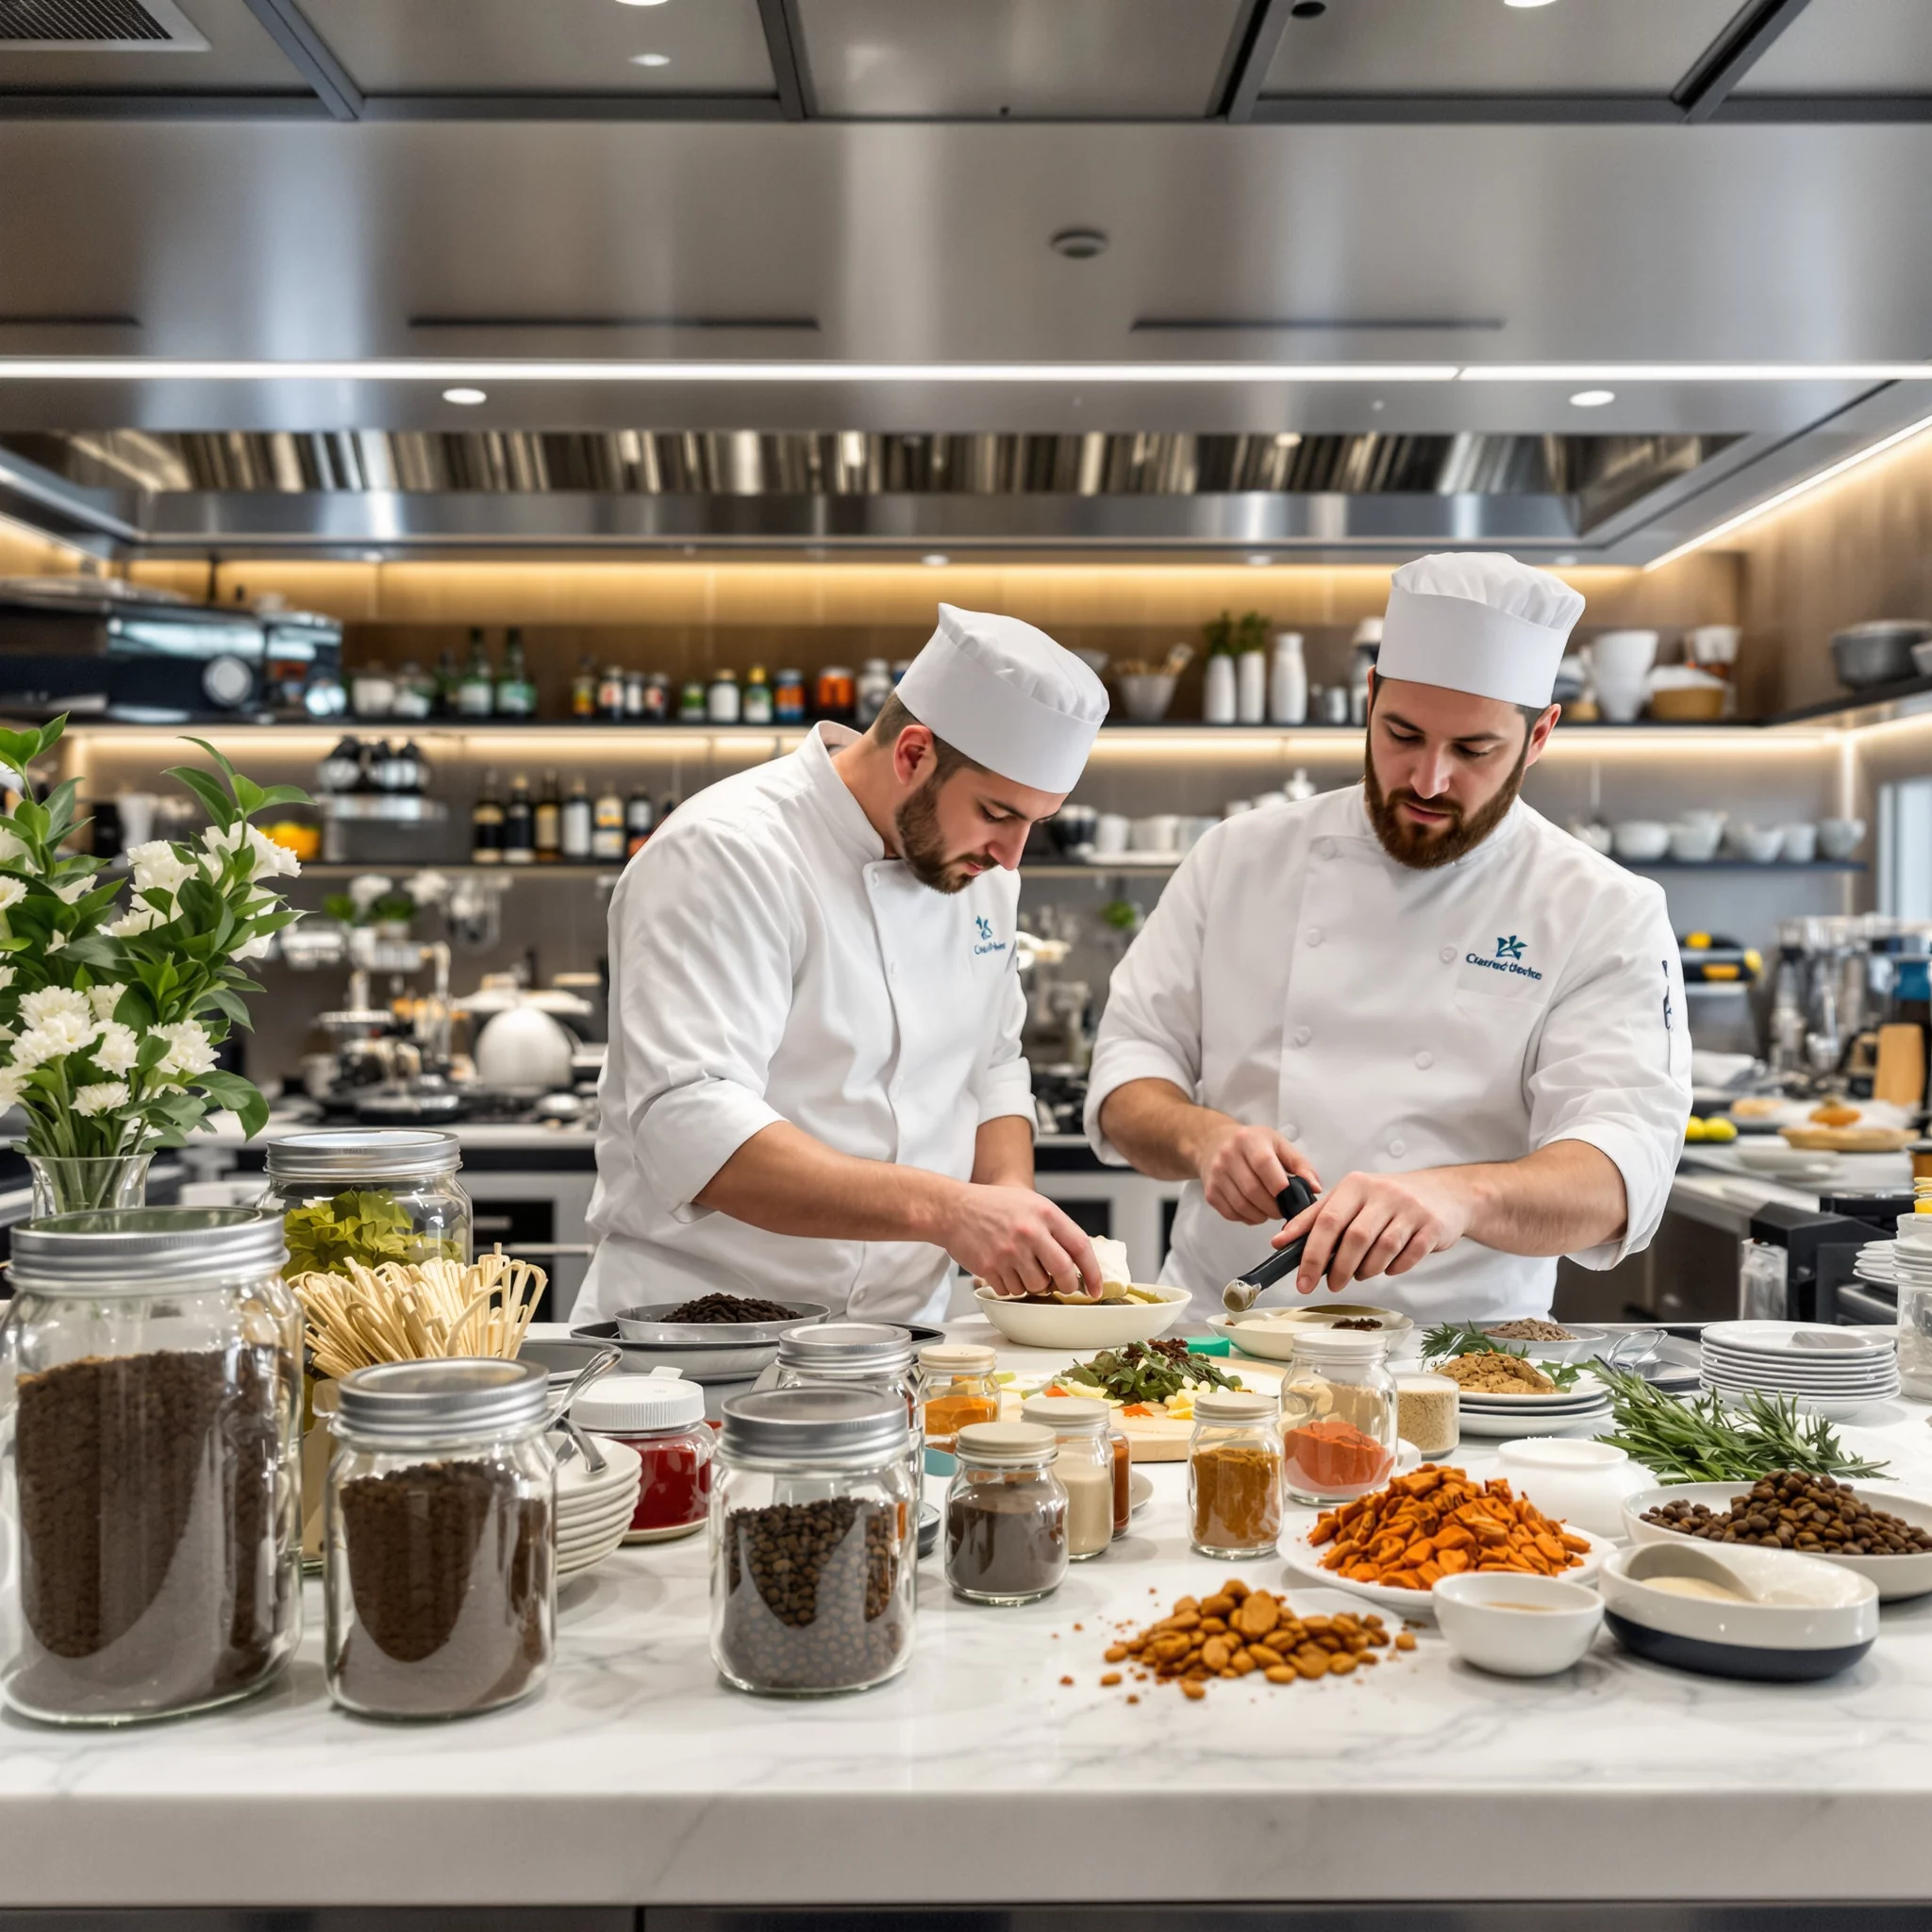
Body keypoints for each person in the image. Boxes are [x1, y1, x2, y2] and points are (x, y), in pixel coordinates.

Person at [1085, 552, 1691, 1324]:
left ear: (1539, 736)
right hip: (1226, 1340)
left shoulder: (1603, 909)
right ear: (1368, 697)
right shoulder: (1238, 858)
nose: (1429, 779)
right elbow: (1126, 1078)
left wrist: (1459, 1196)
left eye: (1474, 751)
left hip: (1463, 1361)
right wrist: (1202, 1140)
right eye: (1401, 733)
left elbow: (1618, 1175)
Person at [583, 604, 1108, 1324]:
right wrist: (949, 1210)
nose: (1012, 857)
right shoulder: (727, 852)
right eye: (997, 813)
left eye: (1035, 824)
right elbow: (692, 1126)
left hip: (900, 1340)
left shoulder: (980, 872)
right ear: (913, 753)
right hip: (699, 1335)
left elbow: (991, 1066)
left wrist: (1009, 1207)